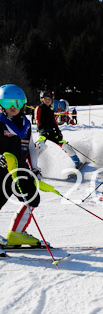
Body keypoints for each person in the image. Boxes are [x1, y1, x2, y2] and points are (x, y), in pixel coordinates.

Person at [0, 84, 43, 246]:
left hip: (20, 170)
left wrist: (35, 168)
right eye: (7, 103)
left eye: (17, 103)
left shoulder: (25, 124)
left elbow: (30, 147)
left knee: (32, 198)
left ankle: (16, 233)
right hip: (2, 170)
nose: (12, 107)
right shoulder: (0, 122)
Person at [34, 90, 82, 168]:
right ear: (42, 99)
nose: (47, 100)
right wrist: (41, 129)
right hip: (43, 131)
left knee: (63, 144)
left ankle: (76, 160)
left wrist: (58, 132)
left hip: (51, 131)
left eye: (49, 99)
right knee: (40, 146)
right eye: (46, 99)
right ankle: (31, 165)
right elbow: (37, 119)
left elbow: (54, 122)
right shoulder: (39, 108)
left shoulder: (51, 110)